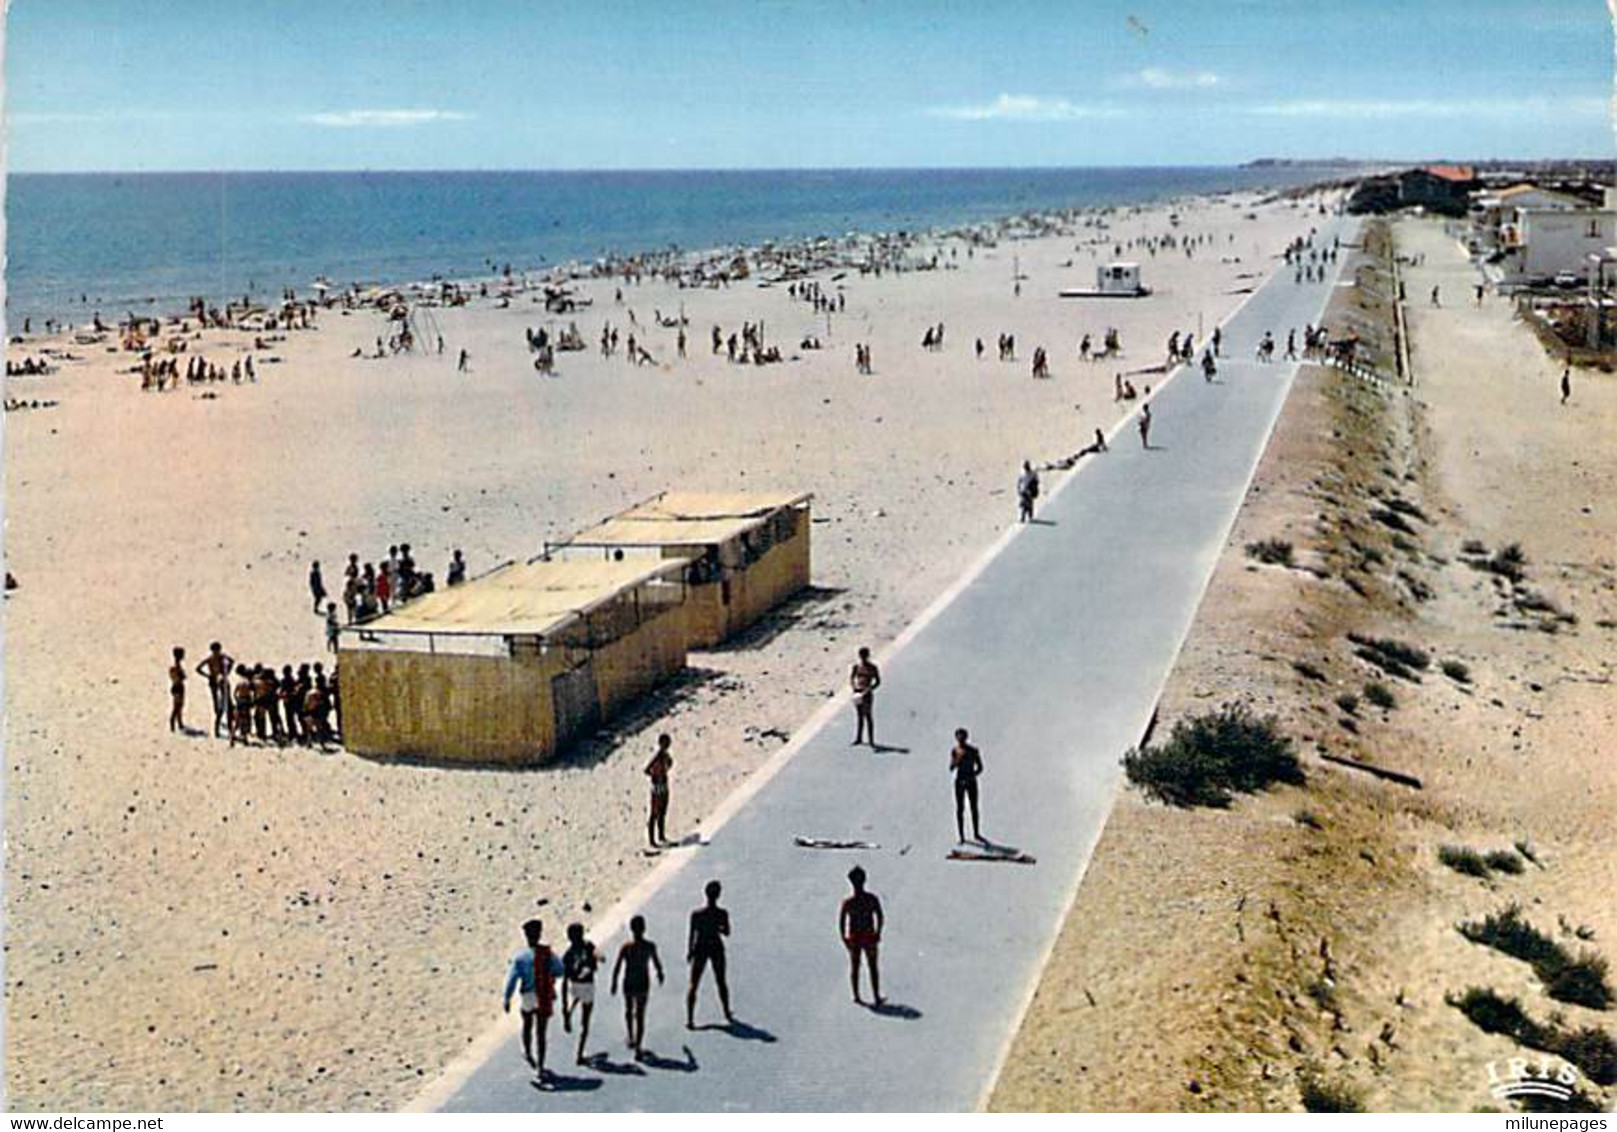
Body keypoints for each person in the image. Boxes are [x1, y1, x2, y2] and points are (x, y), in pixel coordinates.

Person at [503, 919, 563, 1077]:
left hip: (528, 995)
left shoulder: (520, 957)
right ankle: (541, 1066)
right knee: (541, 1033)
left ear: (526, 935)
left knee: (527, 1024)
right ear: (539, 934)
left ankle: (528, 1052)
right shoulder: (547, 953)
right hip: (543, 995)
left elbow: (512, 980)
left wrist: (507, 998)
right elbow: (560, 970)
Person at [611, 915, 664, 1058]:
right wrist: (660, 973)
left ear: (631, 929)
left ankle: (630, 1036)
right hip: (642, 982)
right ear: (644, 929)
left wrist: (614, 982)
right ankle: (638, 1047)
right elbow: (656, 963)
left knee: (628, 1010)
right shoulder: (649, 946)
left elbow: (617, 967)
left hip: (629, 982)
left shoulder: (626, 947)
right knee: (640, 1015)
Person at [686, 880, 734, 1028]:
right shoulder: (722, 914)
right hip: (716, 947)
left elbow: (691, 935)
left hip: (700, 947)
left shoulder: (696, 915)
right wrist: (717, 927)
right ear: (718, 895)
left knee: (694, 983)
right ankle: (726, 1011)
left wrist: (690, 951)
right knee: (721, 981)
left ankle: (690, 1019)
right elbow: (727, 932)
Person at [839, 866, 884, 1006]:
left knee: (855, 966)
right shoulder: (871, 899)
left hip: (855, 938)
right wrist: (878, 932)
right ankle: (876, 996)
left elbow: (841, 922)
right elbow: (880, 916)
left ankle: (856, 995)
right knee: (873, 967)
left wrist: (844, 938)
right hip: (869, 936)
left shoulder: (848, 903)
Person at [561, 923, 600, 1066]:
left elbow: (564, 981)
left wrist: (564, 1007)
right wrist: (599, 958)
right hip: (588, 985)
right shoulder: (588, 946)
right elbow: (597, 957)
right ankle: (579, 1054)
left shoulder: (567, 955)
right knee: (585, 1022)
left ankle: (570, 1011)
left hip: (574, 985)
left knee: (576, 996)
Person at [950, 727, 984, 843]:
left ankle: (976, 833)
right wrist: (955, 761)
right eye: (958, 737)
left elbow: (980, 767)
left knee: (973, 807)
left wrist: (972, 775)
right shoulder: (955, 751)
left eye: (962, 737)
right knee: (960, 809)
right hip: (959, 781)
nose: (960, 740)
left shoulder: (973, 751)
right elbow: (951, 767)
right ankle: (961, 836)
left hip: (970, 781)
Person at [196, 641, 235, 738]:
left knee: (226, 703)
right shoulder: (213, 659)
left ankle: (226, 726)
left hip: (220, 681)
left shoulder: (218, 658)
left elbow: (232, 662)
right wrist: (208, 676)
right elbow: (198, 668)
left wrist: (226, 672)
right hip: (215, 681)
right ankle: (218, 727)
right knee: (219, 704)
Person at [645, 734, 673, 847]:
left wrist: (664, 772)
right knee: (654, 813)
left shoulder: (666, 756)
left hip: (664, 785)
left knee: (662, 812)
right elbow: (647, 769)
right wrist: (655, 776)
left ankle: (661, 835)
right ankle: (652, 840)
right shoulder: (657, 756)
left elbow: (670, 763)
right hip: (657, 787)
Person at [849, 647, 881, 746]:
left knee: (868, 715)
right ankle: (859, 738)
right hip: (858, 693)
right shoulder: (856, 666)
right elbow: (852, 678)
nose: (863, 657)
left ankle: (871, 740)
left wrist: (870, 689)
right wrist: (854, 687)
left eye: (864, 655)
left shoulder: (873, 667)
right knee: (859, 716)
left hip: (867, 694)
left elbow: (878, 682)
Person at [167, 646, 187, 733]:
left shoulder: (177, 666)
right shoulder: (176, 667)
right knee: (177, 707)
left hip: (178, 687)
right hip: (178, 687)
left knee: (180, 706)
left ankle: (179, 722)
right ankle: (172, 723)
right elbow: (179, 677)